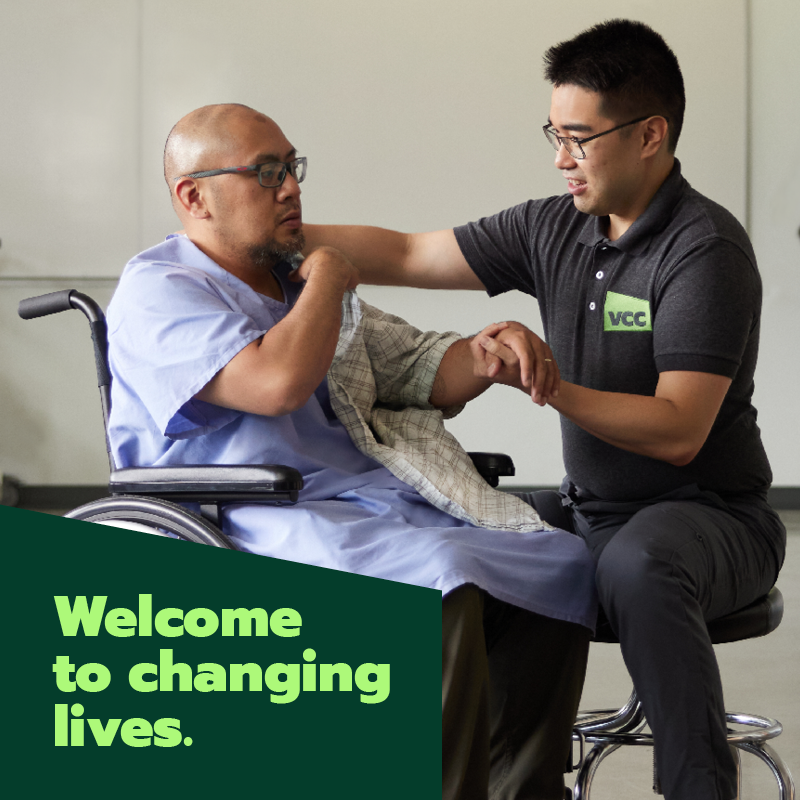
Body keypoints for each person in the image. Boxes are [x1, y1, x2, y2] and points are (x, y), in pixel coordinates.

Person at [303, 19, 787, 800]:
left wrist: (551, 385)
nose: (561, 158)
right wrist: (256, 235)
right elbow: (402, 253)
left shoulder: (704, 252)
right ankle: (512, 782)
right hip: (592, 509)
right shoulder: (551, 228)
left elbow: (678, 428)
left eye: (578, 138)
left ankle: (701, 785)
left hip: (713, 517)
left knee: (641, 562)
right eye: (553, 134)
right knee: (461, 537)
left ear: (650, 135)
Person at [105, 103, 597, 800]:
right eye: (265, 173)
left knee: (554, 560)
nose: (290, 188)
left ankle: (521, 788)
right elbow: (277, 382)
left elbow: (418, 366)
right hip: (245, 512)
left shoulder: (291, 282)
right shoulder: (162, 289)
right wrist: (332, 279)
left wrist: (487, 355)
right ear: (194, 196)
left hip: (358, 505)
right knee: (445, 578)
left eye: (292, 167)